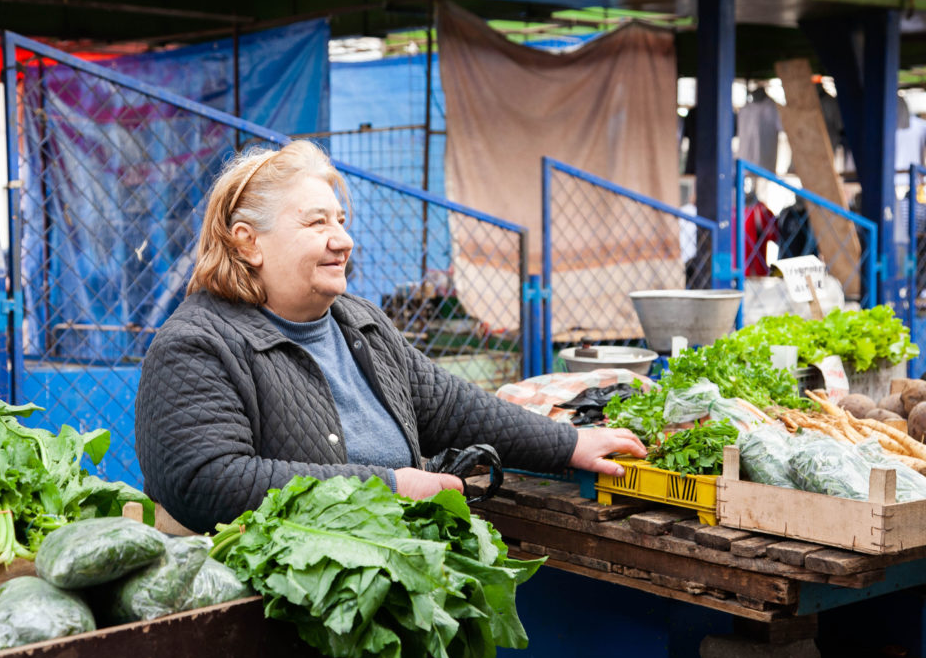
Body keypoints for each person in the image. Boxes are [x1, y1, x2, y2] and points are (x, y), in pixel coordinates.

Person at [135, 140, 646, 533]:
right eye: (316, 224)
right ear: (248, 244)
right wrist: (390, 487)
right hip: (269, 604)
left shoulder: (357, 321)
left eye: (340, 219)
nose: (343, 239)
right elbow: (207, 482)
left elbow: (448, 405)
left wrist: (569, 444)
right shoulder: (198, 346)